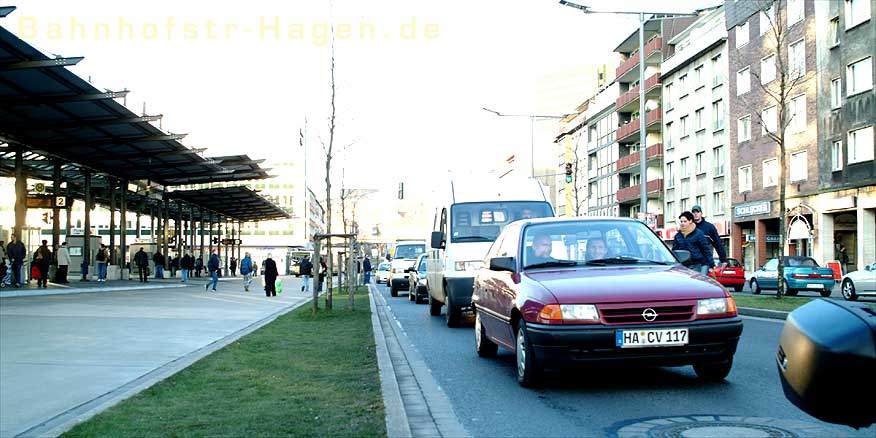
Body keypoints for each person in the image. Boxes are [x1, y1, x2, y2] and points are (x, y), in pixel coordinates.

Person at [691, 205, 727, 269]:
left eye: (697, 212)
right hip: (691, 262)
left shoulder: (709, 227)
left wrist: (723, 259)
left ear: (701, 213)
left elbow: (718, 244)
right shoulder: (688, 227)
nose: (695, 214)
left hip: (705, 262)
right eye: (693, 212)